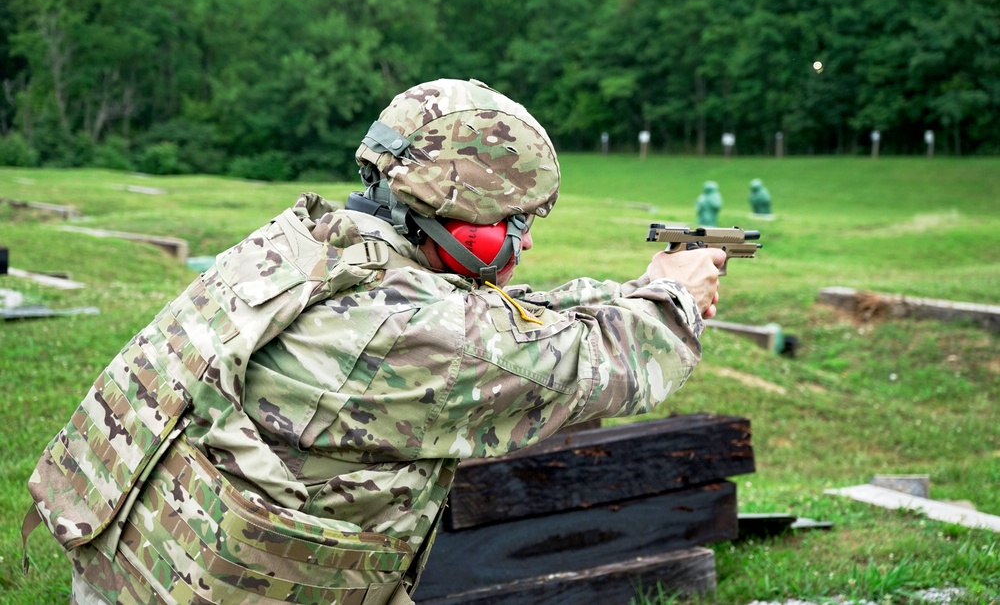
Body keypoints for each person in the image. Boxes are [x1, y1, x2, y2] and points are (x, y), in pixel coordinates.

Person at [24, 78, 724, 605]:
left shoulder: (312, 241)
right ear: (463, 216)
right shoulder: (413, 329)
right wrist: (677, 301)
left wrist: (634, 286)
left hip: (143, 569)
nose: (527, 239)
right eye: (514, 219)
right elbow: (593, 367)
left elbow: (492, 314)